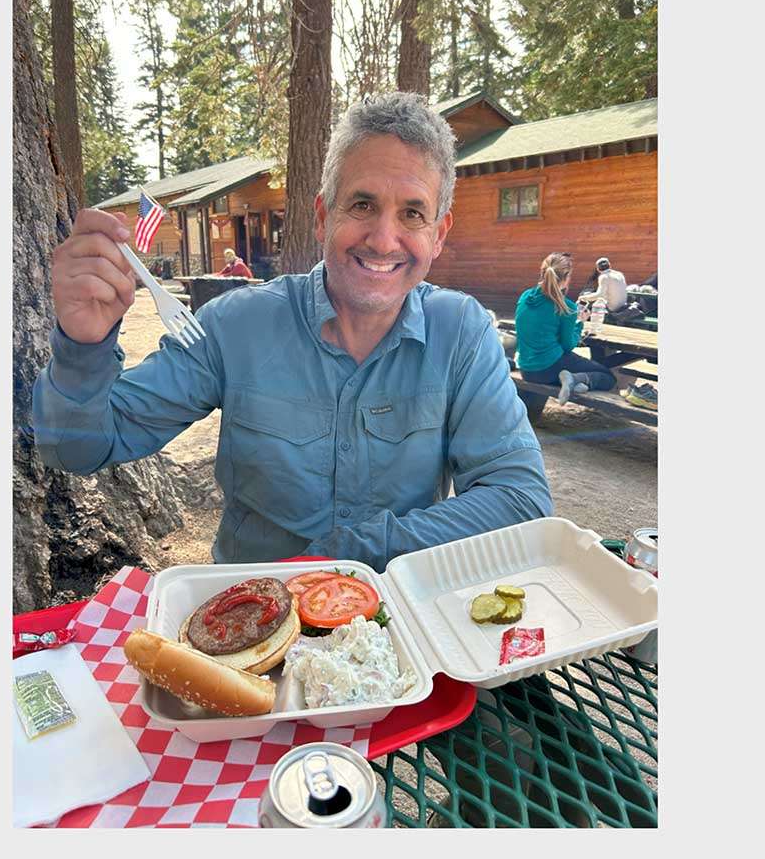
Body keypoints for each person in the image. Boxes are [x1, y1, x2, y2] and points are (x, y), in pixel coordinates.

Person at [32, 91, 552, 572]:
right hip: (246, 621)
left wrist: (349, 556)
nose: (383, 238)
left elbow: (520, 499)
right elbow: (77, 451)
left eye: (412, 213)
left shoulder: (461, 333)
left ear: (438, 235)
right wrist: (82, 346)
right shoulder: (236, 326)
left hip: (399, 621)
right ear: (324, 217)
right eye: (363, 205)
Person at [515, 252, 616, 404]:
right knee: (607, 376)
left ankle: (578, 382)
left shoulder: (525, 297)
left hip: (526, 369)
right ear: (566, 277)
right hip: (548, 368)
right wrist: (579, 322)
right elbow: (568, 345)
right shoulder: (566, 307)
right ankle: (574, 379)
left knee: (580, 367)